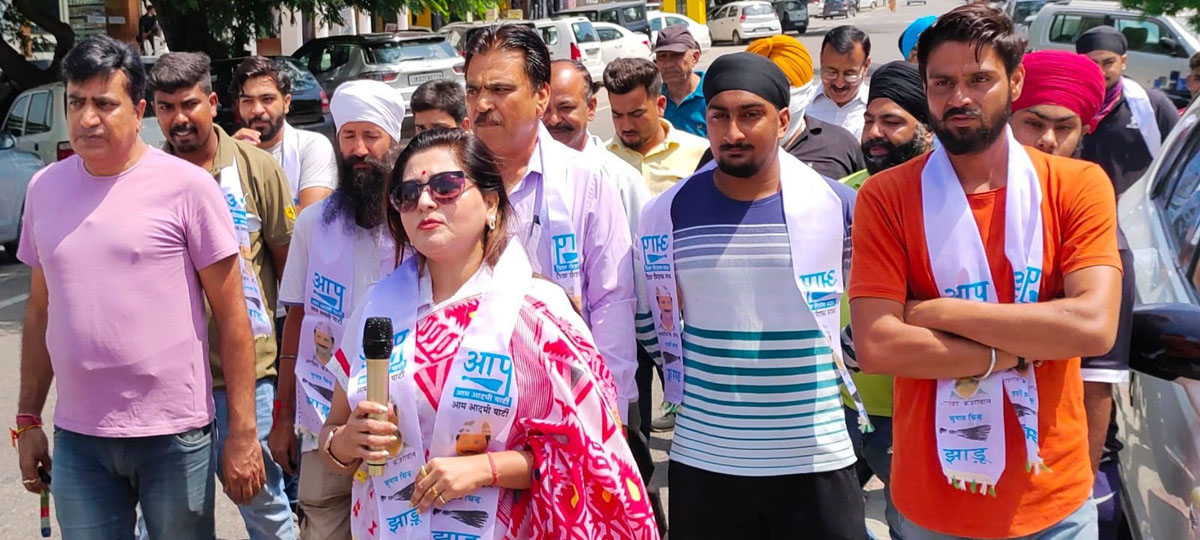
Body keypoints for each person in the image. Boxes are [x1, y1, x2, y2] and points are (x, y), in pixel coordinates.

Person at [850, 5, 1123, 539]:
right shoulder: (887, 196)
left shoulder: (1076, 185)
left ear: (1015, 81)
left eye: (980, 79)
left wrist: (938, 313)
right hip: (931, 506)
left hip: (1051, 504)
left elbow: (1093, 326)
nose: (959, 98)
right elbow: (879, 346)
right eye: (943, 82)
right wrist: (1028, 343)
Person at [320, 128, 659, 539]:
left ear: (492, 203)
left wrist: (487, 469)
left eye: (446, 186)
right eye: (408, 194)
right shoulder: (376, 310)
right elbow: (332, 431)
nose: (425, 201)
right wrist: (344, 443)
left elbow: (590, 453)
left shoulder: (538, 312)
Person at [13, 35, 265, 538]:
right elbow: (40, 312)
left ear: (139, 109)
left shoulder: (187, 187)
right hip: (80, 439)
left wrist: (242, 431)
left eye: (104, 104)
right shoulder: (44, 188)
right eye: (76, 102)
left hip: (173, 436)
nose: (88, 118)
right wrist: (27, 419)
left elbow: (235, 315)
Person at [636, 52, 868, 539]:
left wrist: (847, 355)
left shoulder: (837, 207)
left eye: (750, 115)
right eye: (719, 115)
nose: (733, 132)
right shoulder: (668, 214)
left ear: (783, 120)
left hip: (815, 457)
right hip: (706, 460)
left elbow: (877, 304)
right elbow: (650, 322)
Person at [149, 51, 297, 540]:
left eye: (189, 103)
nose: (179, 118)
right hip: (168, 383)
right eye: (166, 107)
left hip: (246, 377)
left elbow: (286, 269)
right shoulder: (143, 179)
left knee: (264, 506)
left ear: (213, 103)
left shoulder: (257, 169)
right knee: (171, 520)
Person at [463, 23, 638, 424]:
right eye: (473, 90)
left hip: (570, 400)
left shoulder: (586, 181)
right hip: (469, 401)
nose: (482, 104)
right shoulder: (445, 182)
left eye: (500, 90)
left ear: (541, 96)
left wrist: (613, 409)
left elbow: (612, 300)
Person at [271, 79, 407, 540]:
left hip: (402, 425)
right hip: (320, 421)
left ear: (393, 140)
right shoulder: (313, 222)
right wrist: (282, 417)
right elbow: (295, 319)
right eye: (348, 136)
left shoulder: (417, 222)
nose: (359, 149)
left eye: (371, 136)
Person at [1009, 49, 1134, 540]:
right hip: (961, 465)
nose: (1048, 140)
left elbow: (1096, 380)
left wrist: (1073, 499)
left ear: (1085, 132)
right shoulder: (952, 206)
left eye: (1065, 127)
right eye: (1033, 122)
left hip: (1051, 479)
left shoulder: (1097, 233)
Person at [842, 59, 935, 540]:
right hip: (840, 404)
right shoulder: (844, 197)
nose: (875, 133)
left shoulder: (948, 202)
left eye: (893, 121)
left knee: (914, 526)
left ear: (929, 128)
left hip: (911, 410)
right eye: (869, 120)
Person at [545, 59, 650, 238]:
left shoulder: (623, 182)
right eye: (545, 109)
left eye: (565, 108)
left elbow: (644, 258)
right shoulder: (521, 179)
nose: (553, 120)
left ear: (591, 107)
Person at [1077, 25, 1179, 195]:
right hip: (1077, 204)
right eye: (1092, 63)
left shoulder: (1152, 105)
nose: (1101, 72)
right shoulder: (1067, 105)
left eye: (1108, 63)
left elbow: (1178, 158)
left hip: (1133, 212)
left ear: (1123, 62)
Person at [747, 35, 866, 180]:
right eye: (764, 86)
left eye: (786, 84)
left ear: (805, 89)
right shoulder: (731, 150)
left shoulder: (842, 146)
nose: (840, 83)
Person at [231, 56, 338, 213]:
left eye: (267, 99)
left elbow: (310, 218)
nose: (257, 110)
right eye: (247, 101)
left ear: (286, 103)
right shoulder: (228, 154)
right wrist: (227, 160)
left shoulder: (311, 147)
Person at [604, 57, 709, 196]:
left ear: (660, 105)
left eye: (636, 114)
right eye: (617, 115)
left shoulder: (701, 153)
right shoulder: (600, 160)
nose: (626, 126)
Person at [809, 25, 871, 139]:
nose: (839, 84)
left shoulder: (874, 109)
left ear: (866, 66)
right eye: (831, 72)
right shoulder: (803, 106)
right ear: (821, 60)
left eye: (849, 74)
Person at [656, 25, 707, 137]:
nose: (668, 64)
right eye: (662, 56)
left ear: (695, 57)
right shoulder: (653, 99)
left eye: (676, 55)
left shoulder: (713, 94)